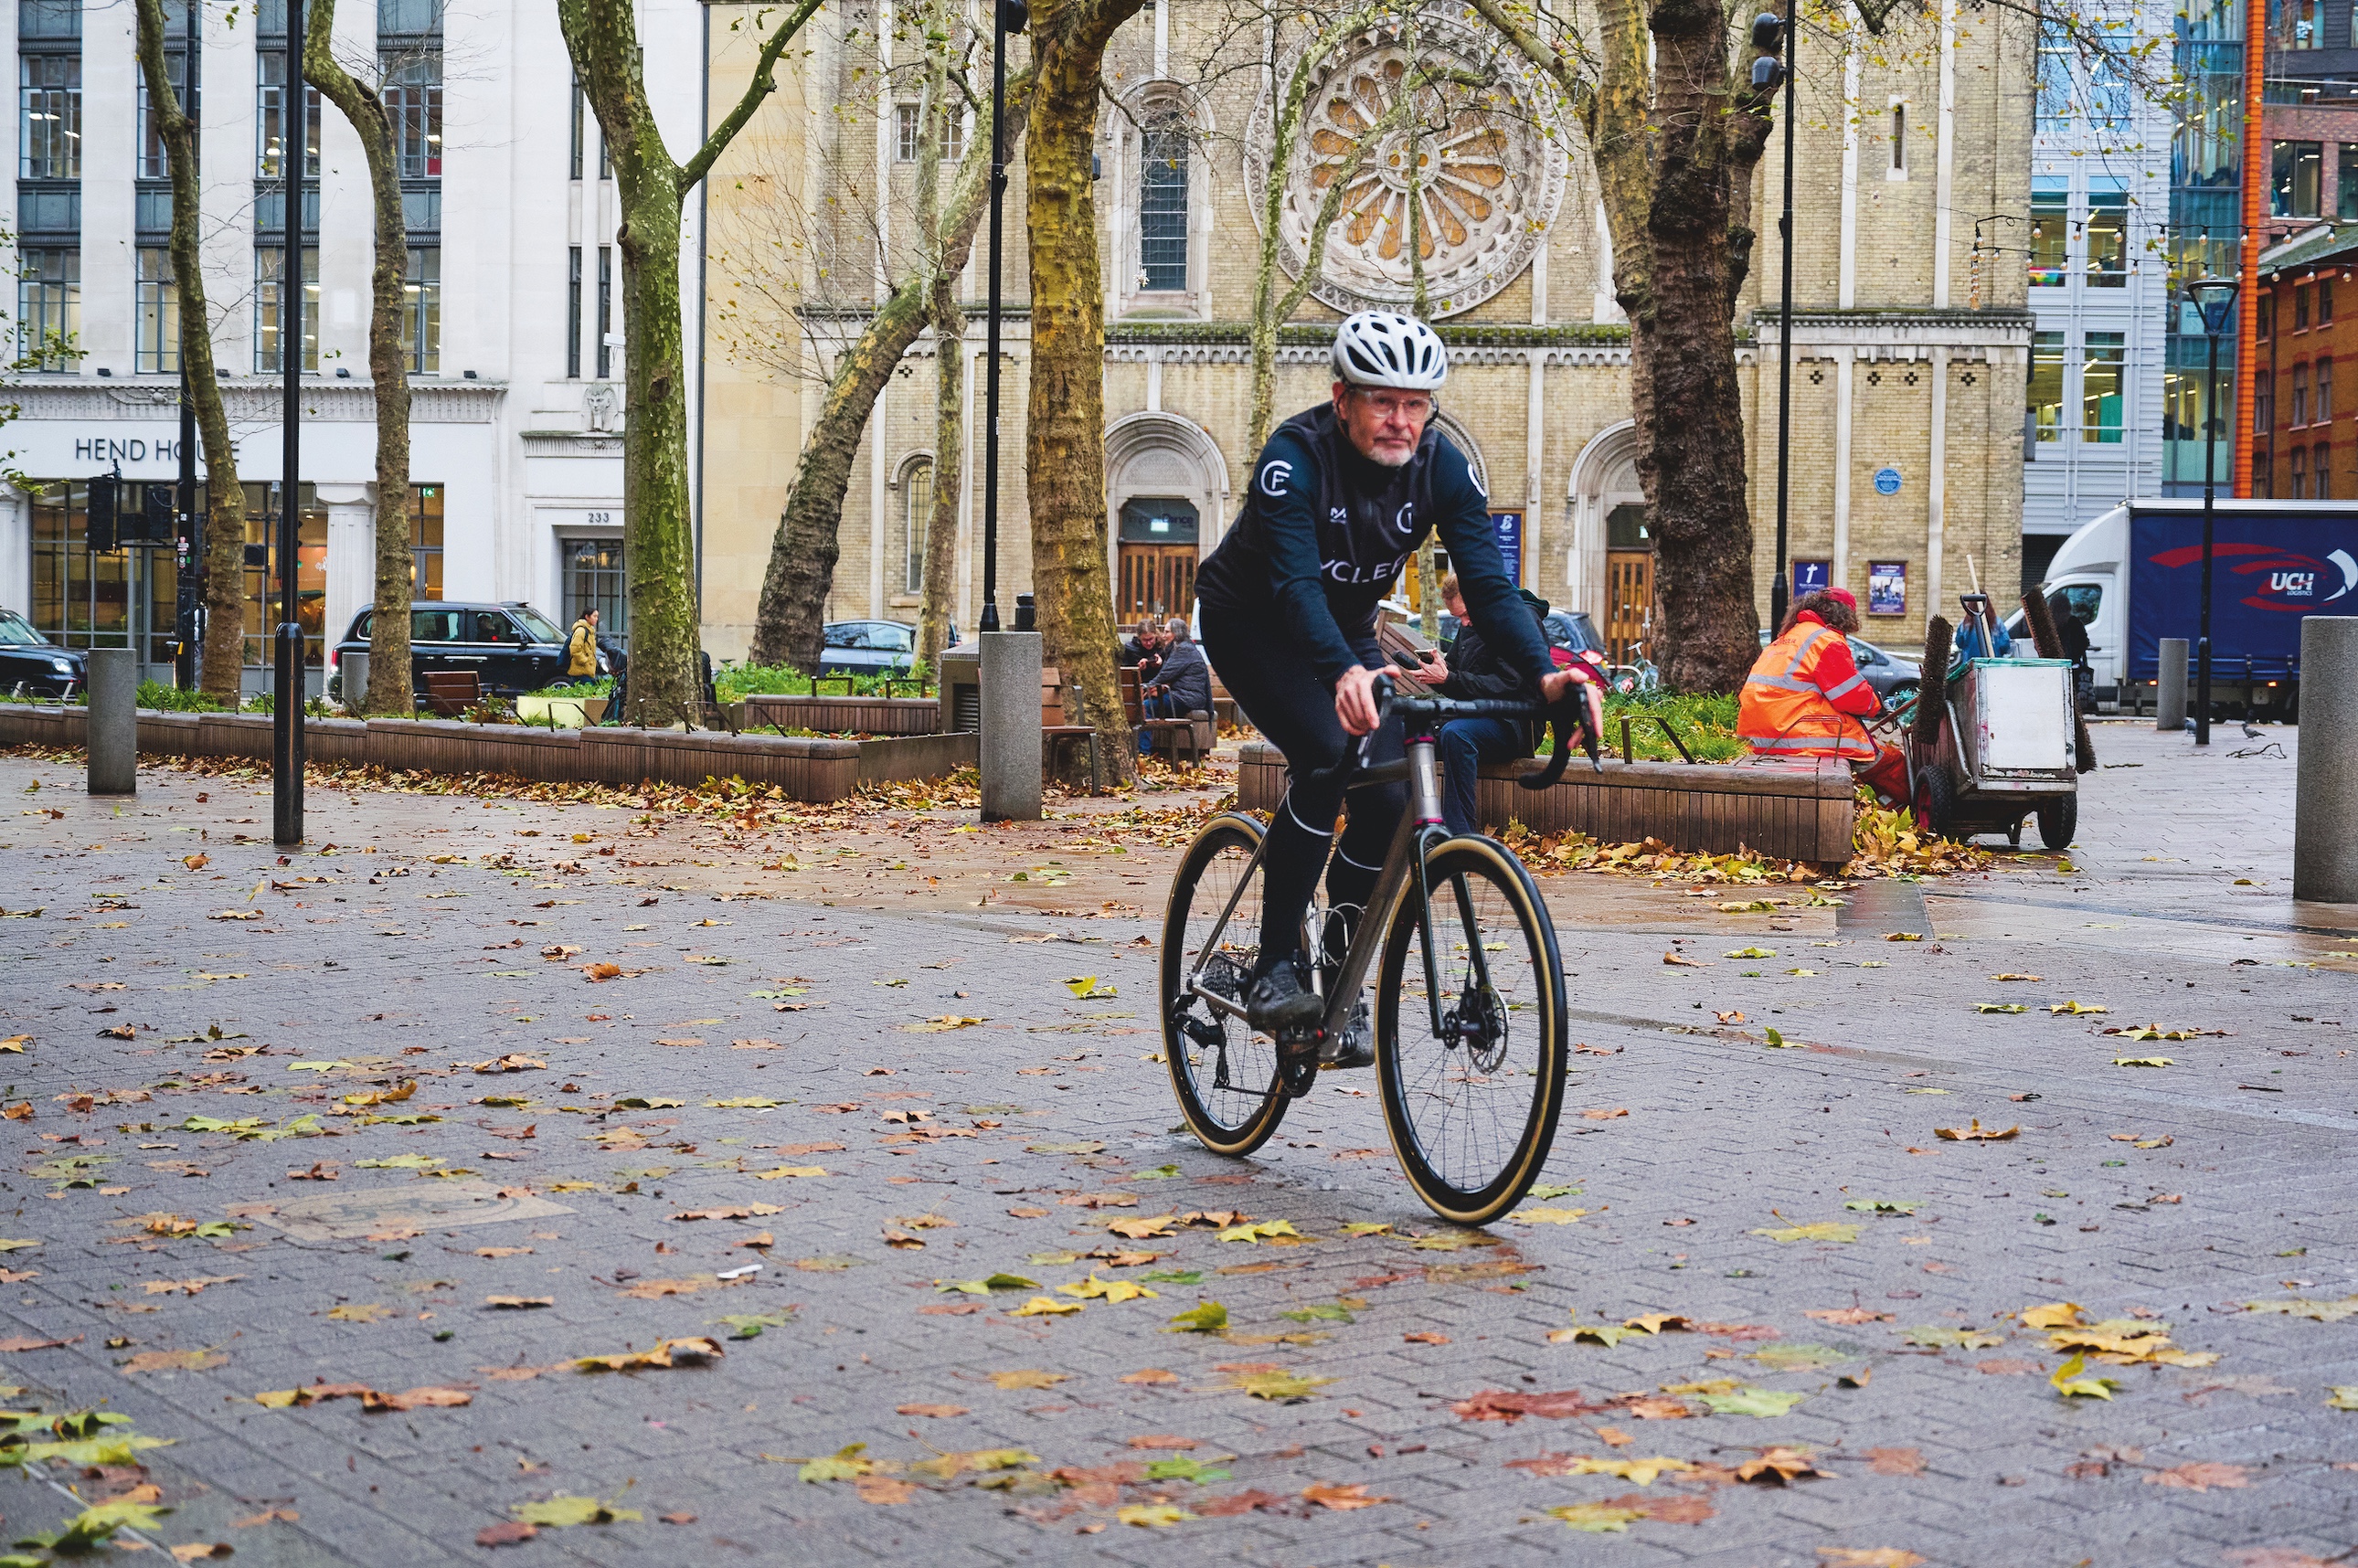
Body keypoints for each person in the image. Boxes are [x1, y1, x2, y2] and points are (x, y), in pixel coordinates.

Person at [1194, 311, 1593, 1065]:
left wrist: (1548, 673)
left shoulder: (1441, 467)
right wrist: (1341, 671)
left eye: (1416, 403)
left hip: (1343, 630)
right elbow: (1293, 586)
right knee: (1324, 750)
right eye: (1383, 401)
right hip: (1254, 621)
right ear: (1343, 398)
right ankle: (1275, 968)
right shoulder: (1294, 458)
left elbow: (1490, 588)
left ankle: (1336, 982)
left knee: (1382, 802)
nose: (1400, 420)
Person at [1737, 587, 1908, 801]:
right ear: (1844, 616)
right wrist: (1876, 706)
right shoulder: (1825, 641)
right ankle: (1912, 815)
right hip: (1794, 736)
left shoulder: (1785, 638)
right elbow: (1852, 697)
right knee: (1889, 762)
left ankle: (1885, 808)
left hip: (1761, 737)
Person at [1431, 574, 1551, 838]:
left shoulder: (1520, 620)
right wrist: (1439, 673)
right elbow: (1457, 673)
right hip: (1474, 715)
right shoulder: (1474, 620)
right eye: (1458, 618)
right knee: (1409, 731)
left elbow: (1512, 684)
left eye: (1465, 614)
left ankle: (1460, 839)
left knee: (1456, 735)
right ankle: (1411, 829)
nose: (1464, 623)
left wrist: (1451, 680)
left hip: (1516, 723)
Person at [1140, 615, 1212, 752]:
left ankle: (1144, 752)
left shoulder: (1183, 650)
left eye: (1167, 632)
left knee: (1145, 706)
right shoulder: (1182, 647)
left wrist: (1144, 688)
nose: (1164, 635)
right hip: (1185, 696)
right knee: (1148, 704)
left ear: (1176, 634)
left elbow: (1165, 675)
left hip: (1187, 698)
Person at [566, 609, 600, 679]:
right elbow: (574, 649)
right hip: (580, 671)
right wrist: (585, 661)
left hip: (586, 671)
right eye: (594, 616)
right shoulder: (581, 631)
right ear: (587, 617)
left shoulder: (589, 630)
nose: (596, 619)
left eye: (597, 617)